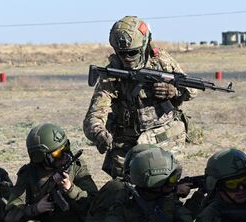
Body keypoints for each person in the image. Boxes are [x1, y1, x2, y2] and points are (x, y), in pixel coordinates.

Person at [83, 15, 196, 178]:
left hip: (165, 141)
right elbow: (93, 117)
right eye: (122, 53)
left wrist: (174, 91)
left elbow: (192, 90)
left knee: (166, 190)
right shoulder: (112, 75)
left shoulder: (162, 62)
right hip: (128, 146)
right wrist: (100, 134)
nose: (127, 58)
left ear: (144, 46)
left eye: (132, 53)